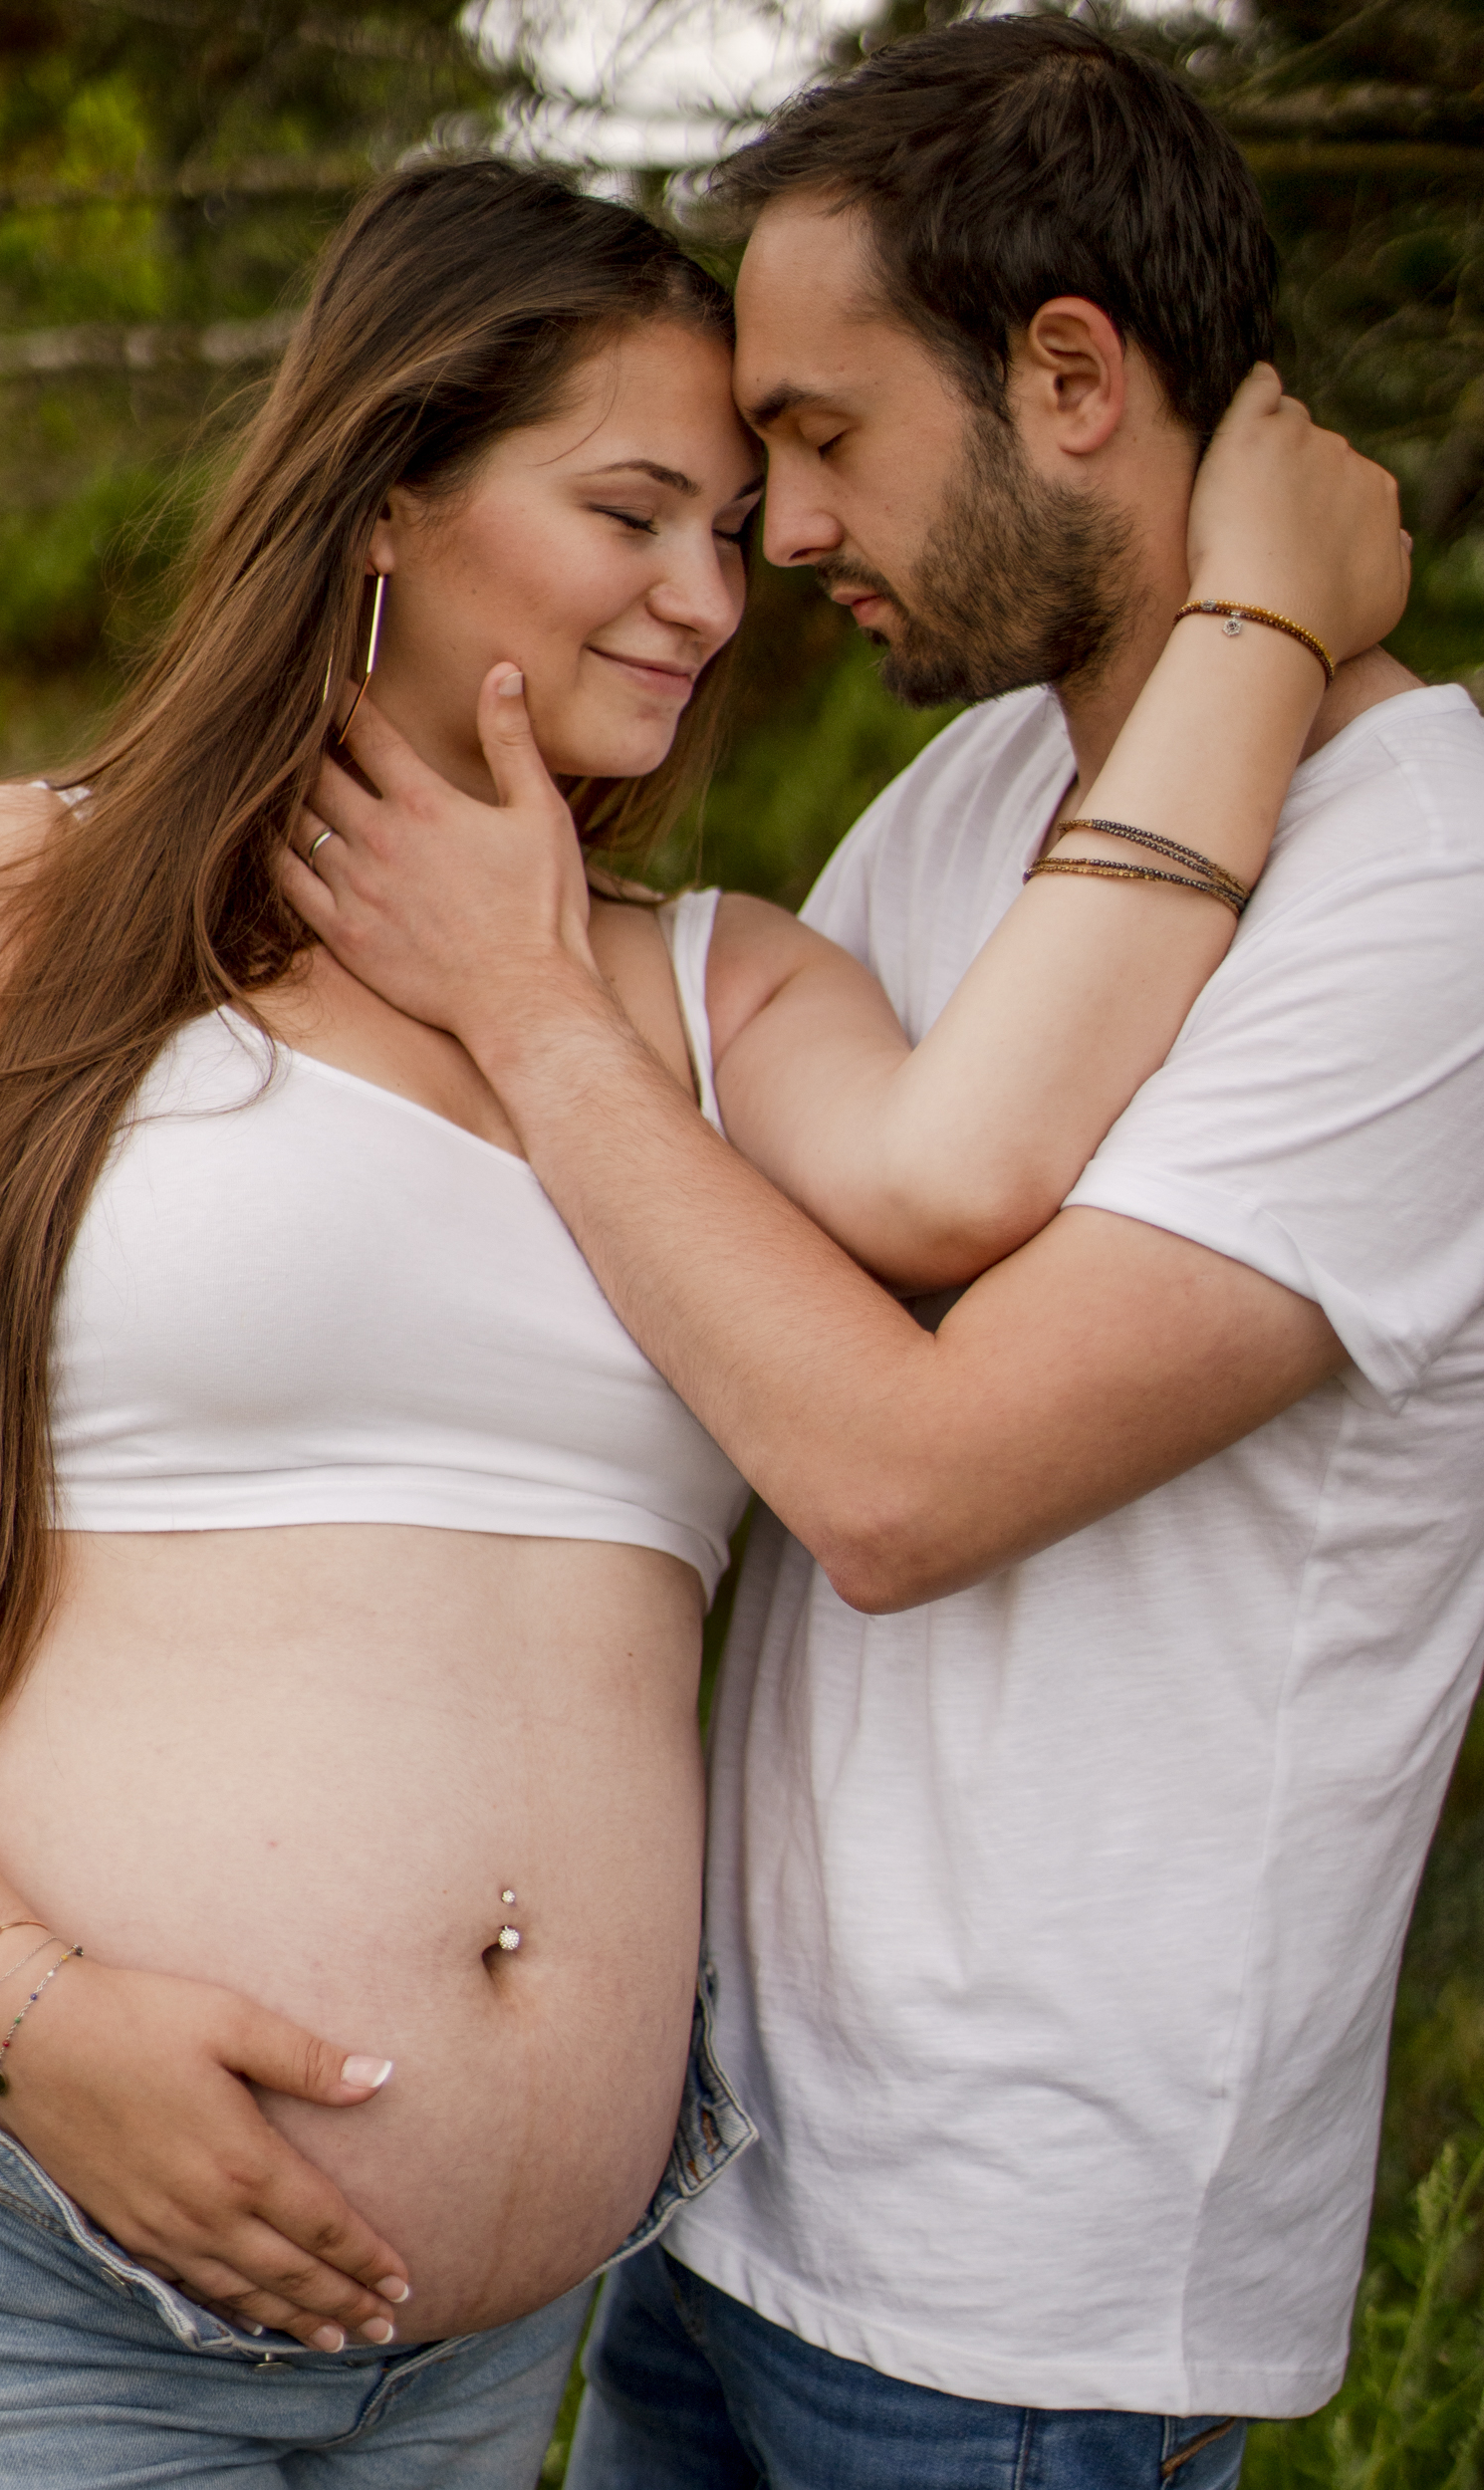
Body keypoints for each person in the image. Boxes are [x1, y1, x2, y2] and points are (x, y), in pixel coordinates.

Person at [0, 146, 1397, 2486]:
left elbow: (969, 1172)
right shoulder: (7, 900)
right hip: (7, 2255)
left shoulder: (713, 986)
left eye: (736, 520)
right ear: (389, 495)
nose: (713, 590)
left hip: (476, 2366)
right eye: (634, 510)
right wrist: (33, 2019)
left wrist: (1259, 623)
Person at [273, 24, 1481, 2490]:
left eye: (816, 439)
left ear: (1066, 376)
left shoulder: (1430, 888)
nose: (773, 544)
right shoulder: (974, 792)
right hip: (729, 2186)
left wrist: (518, 986)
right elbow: (722, 1256)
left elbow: (900, 1476)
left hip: (1019, 2285)